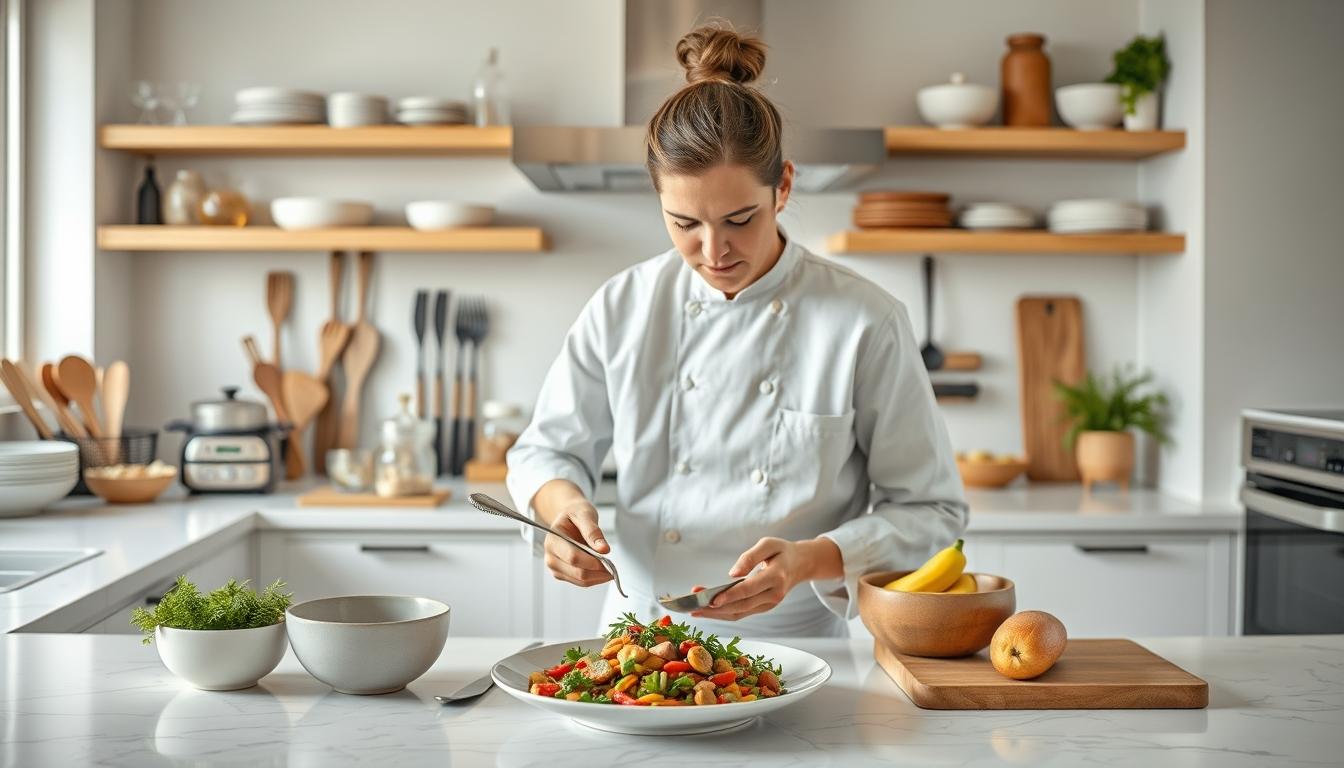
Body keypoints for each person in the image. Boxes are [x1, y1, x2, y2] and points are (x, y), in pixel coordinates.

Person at [506, 25, 966, 638]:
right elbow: (546, 450)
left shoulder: (864, 319)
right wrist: (562, 512)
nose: (713, 249)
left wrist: (810, 560)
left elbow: (932, 511)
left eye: (739, 219)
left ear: (784, 188)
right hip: (640, 634)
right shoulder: (622, 306)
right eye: (684, 222)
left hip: (797, 643)